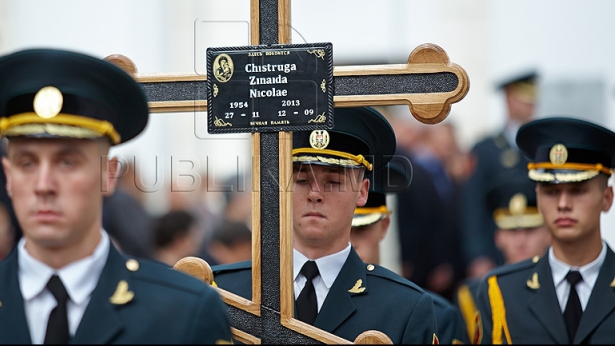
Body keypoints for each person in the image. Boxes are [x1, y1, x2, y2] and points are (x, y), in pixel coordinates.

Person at [0, 48, 231, 344]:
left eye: (67, 162)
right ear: (7, 176)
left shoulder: (182, 313)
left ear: (108, 174)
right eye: (27, 163)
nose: (44, 184)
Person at [213, 107, 438, 343]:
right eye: (301, 180)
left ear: (362, 192)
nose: (315, 194)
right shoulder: (225, 293)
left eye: (332, 181)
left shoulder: (404, 308)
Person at [473, 117, 615, 343]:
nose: (563, 204)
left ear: (607, 198)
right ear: (538, 199)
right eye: (551, 192)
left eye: (577, 191)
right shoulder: (501, 292)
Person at [350, 162, 468, 344]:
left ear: (383, 226)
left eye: (361, 229)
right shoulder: (301, 302)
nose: (350, 242)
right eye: (342, 231)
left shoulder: (435, 316)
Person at [461, 71, 539, 279]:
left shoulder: (542, 148)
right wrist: (478, 254)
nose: (532, 104)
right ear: (509, 98)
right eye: (524, 98)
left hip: (538, 246)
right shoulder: (485, 149)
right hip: (496, 247)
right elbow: (473, 204)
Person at [456, 182, 550, 343]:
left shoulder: (565, 287)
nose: (521, 241)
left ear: (548, 234)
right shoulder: (474, 295)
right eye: (512, 231)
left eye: (530, 230)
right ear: (498, 237)